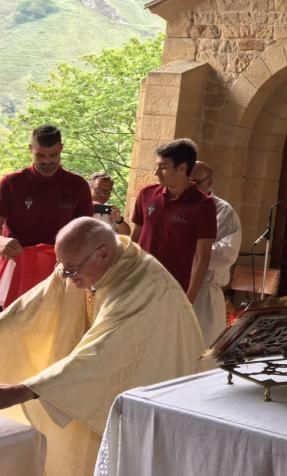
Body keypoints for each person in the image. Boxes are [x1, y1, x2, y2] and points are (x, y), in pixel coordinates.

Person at [0, 217, 206, 475]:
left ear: (103, 253)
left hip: (139, 393)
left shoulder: (143, 287)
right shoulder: (85, 261)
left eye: (72, 269)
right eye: (61, 266)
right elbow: (28, 310)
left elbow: (101, 356)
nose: (65, 276)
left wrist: (23, 390)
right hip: (90, 386)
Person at [0, 125, 93, 308]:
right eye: (40, 155)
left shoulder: (77, 185)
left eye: (53, 155)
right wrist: (1, 241)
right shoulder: (11, 183)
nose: (47, 161)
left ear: (61, 149)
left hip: (58, 270)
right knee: (10, 326)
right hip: (17, 266)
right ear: (30, 149)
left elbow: (85, 233)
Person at [131, 138, 216, 304]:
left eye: (163, 167)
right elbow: (134, 241)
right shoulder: (146, 195)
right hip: (139, 284)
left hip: (174, 291)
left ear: (182, 168)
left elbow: (202, 257)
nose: (156, 172)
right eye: (156, 166)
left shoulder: (203, 204)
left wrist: (189, 299)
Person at [189, 160, 242, 344]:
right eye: (187, 181)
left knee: (201, 348)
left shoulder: (223, 211)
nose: (190, 187)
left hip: (205, 293)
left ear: (209, 183)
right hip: (175, 288)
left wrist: (186, 249)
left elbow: (225, 253)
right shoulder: (178, 207)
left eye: (195, 183)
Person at [88, 172, 131, 236]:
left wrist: (119, 220)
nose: (102, 194)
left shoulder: (109, 211)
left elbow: (126, 234)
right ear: (89, 188)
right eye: (98, 190)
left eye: (107, 191)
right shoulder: (77, 207)